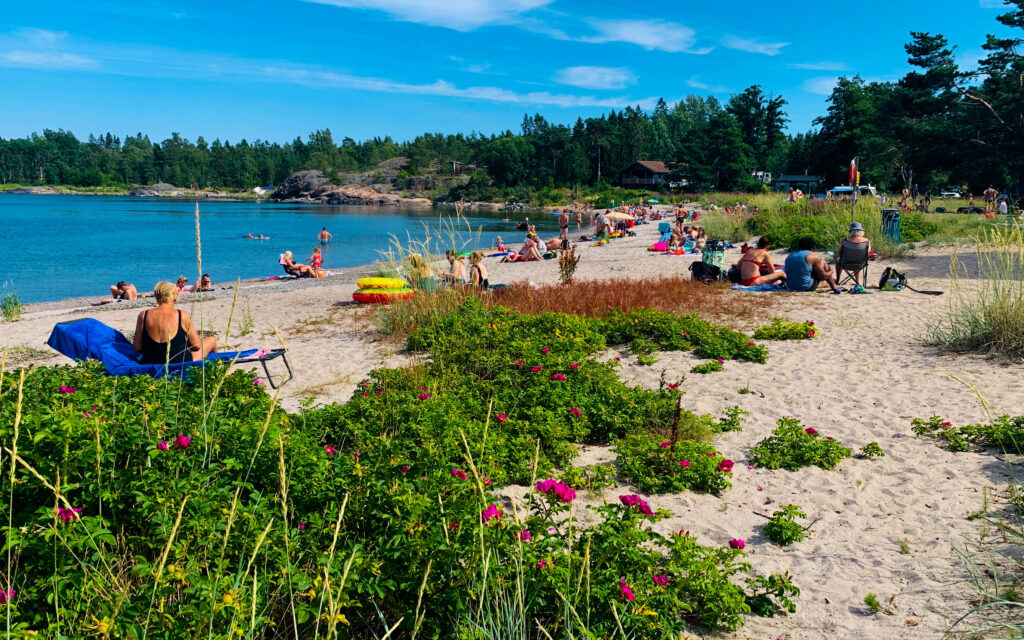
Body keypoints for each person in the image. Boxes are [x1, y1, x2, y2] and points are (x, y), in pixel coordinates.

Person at [133, 281, 217, 364]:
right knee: (211, 340)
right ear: (174, 297)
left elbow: (137, 347)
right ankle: (218, 369)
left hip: (150, 360)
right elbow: (197, 345)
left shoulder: (143, 315)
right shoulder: (182, 315)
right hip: (179, 361)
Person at [836, 222, 871, 291]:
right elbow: (867, 253)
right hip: (861, 264)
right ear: (861, 231)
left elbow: (839, 252)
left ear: (851, 231)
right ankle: (858, 281)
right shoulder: (867, 241)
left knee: (838, 260)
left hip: (845, 263)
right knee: (857, 258)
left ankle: (838, 279)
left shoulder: (845, 241)